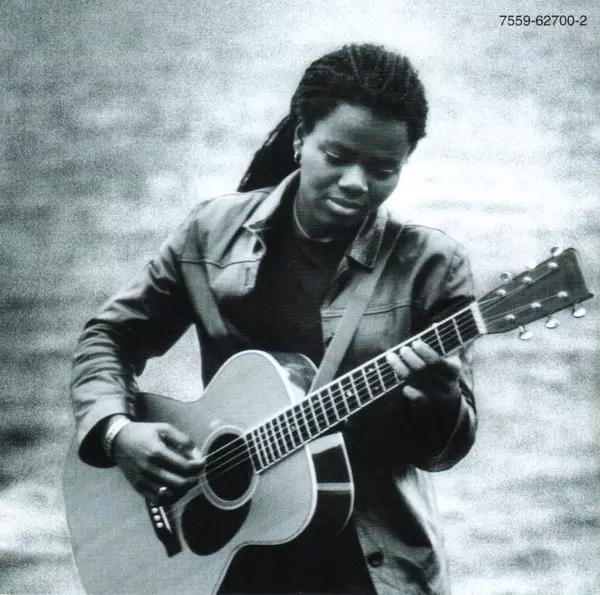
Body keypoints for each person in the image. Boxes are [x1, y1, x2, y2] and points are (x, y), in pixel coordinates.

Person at [70, 43, 477, 594]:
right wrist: (117, 433)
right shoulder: (211, 233)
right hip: (225, 557)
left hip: (368, 568)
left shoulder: (432, 267)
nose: (357, 183)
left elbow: (441, 452)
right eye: (337, 156)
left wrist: (441, 398)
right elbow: (111, 336)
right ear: (300, 137)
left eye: (383, 169)